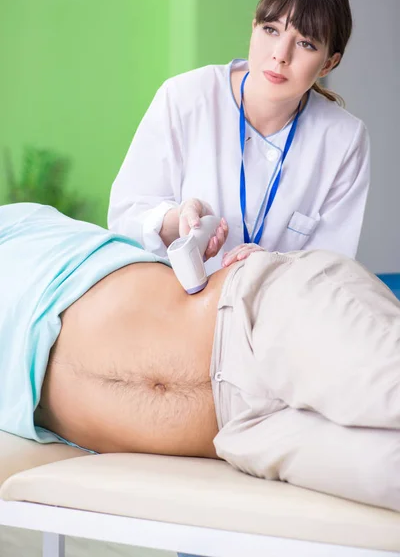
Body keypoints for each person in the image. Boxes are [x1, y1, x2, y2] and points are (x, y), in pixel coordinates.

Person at [1, 203, 399, 519]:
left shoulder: (20, 225)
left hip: (254, 313)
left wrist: (177, 219)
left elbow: (137, 230)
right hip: (242, 433)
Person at [108, 0, 370, 277]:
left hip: (277, 313)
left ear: (329, 63)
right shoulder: (185, 97)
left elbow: (334, 266)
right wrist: (177, 219)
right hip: (176, 306)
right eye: (271, 30)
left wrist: (275, 264)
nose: (280, 55)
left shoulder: (344, 139)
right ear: (254, 27)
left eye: (306, 44)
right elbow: (125, 216)